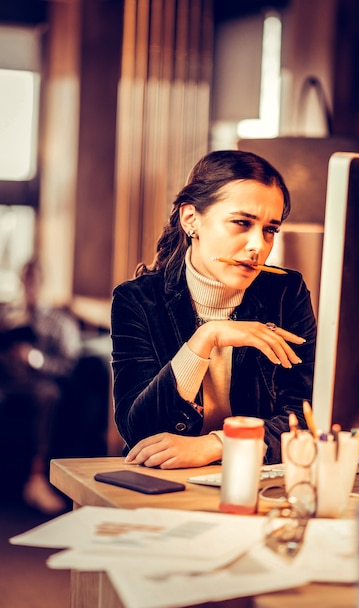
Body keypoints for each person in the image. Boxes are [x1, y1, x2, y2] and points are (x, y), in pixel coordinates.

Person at [111, 149, 316, 469]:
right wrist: (207, 336)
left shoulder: (286, 293)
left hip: (255, 478)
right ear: (191, 219)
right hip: (161, 481)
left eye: (269, 229)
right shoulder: (137, 300)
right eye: (241, 223)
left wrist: (219, 444)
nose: (258, 246)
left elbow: (305, 419)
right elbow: (140, 432)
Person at [0, 258, 81, 514]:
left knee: (49, 395)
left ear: (42, 282)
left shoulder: (59, 321)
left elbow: (68, 366)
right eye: (26, 278)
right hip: (8, 382)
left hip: (39, 383)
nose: (29, 285)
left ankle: (36, 479)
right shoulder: (8, 314)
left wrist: (33, 358)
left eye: (34, 279)